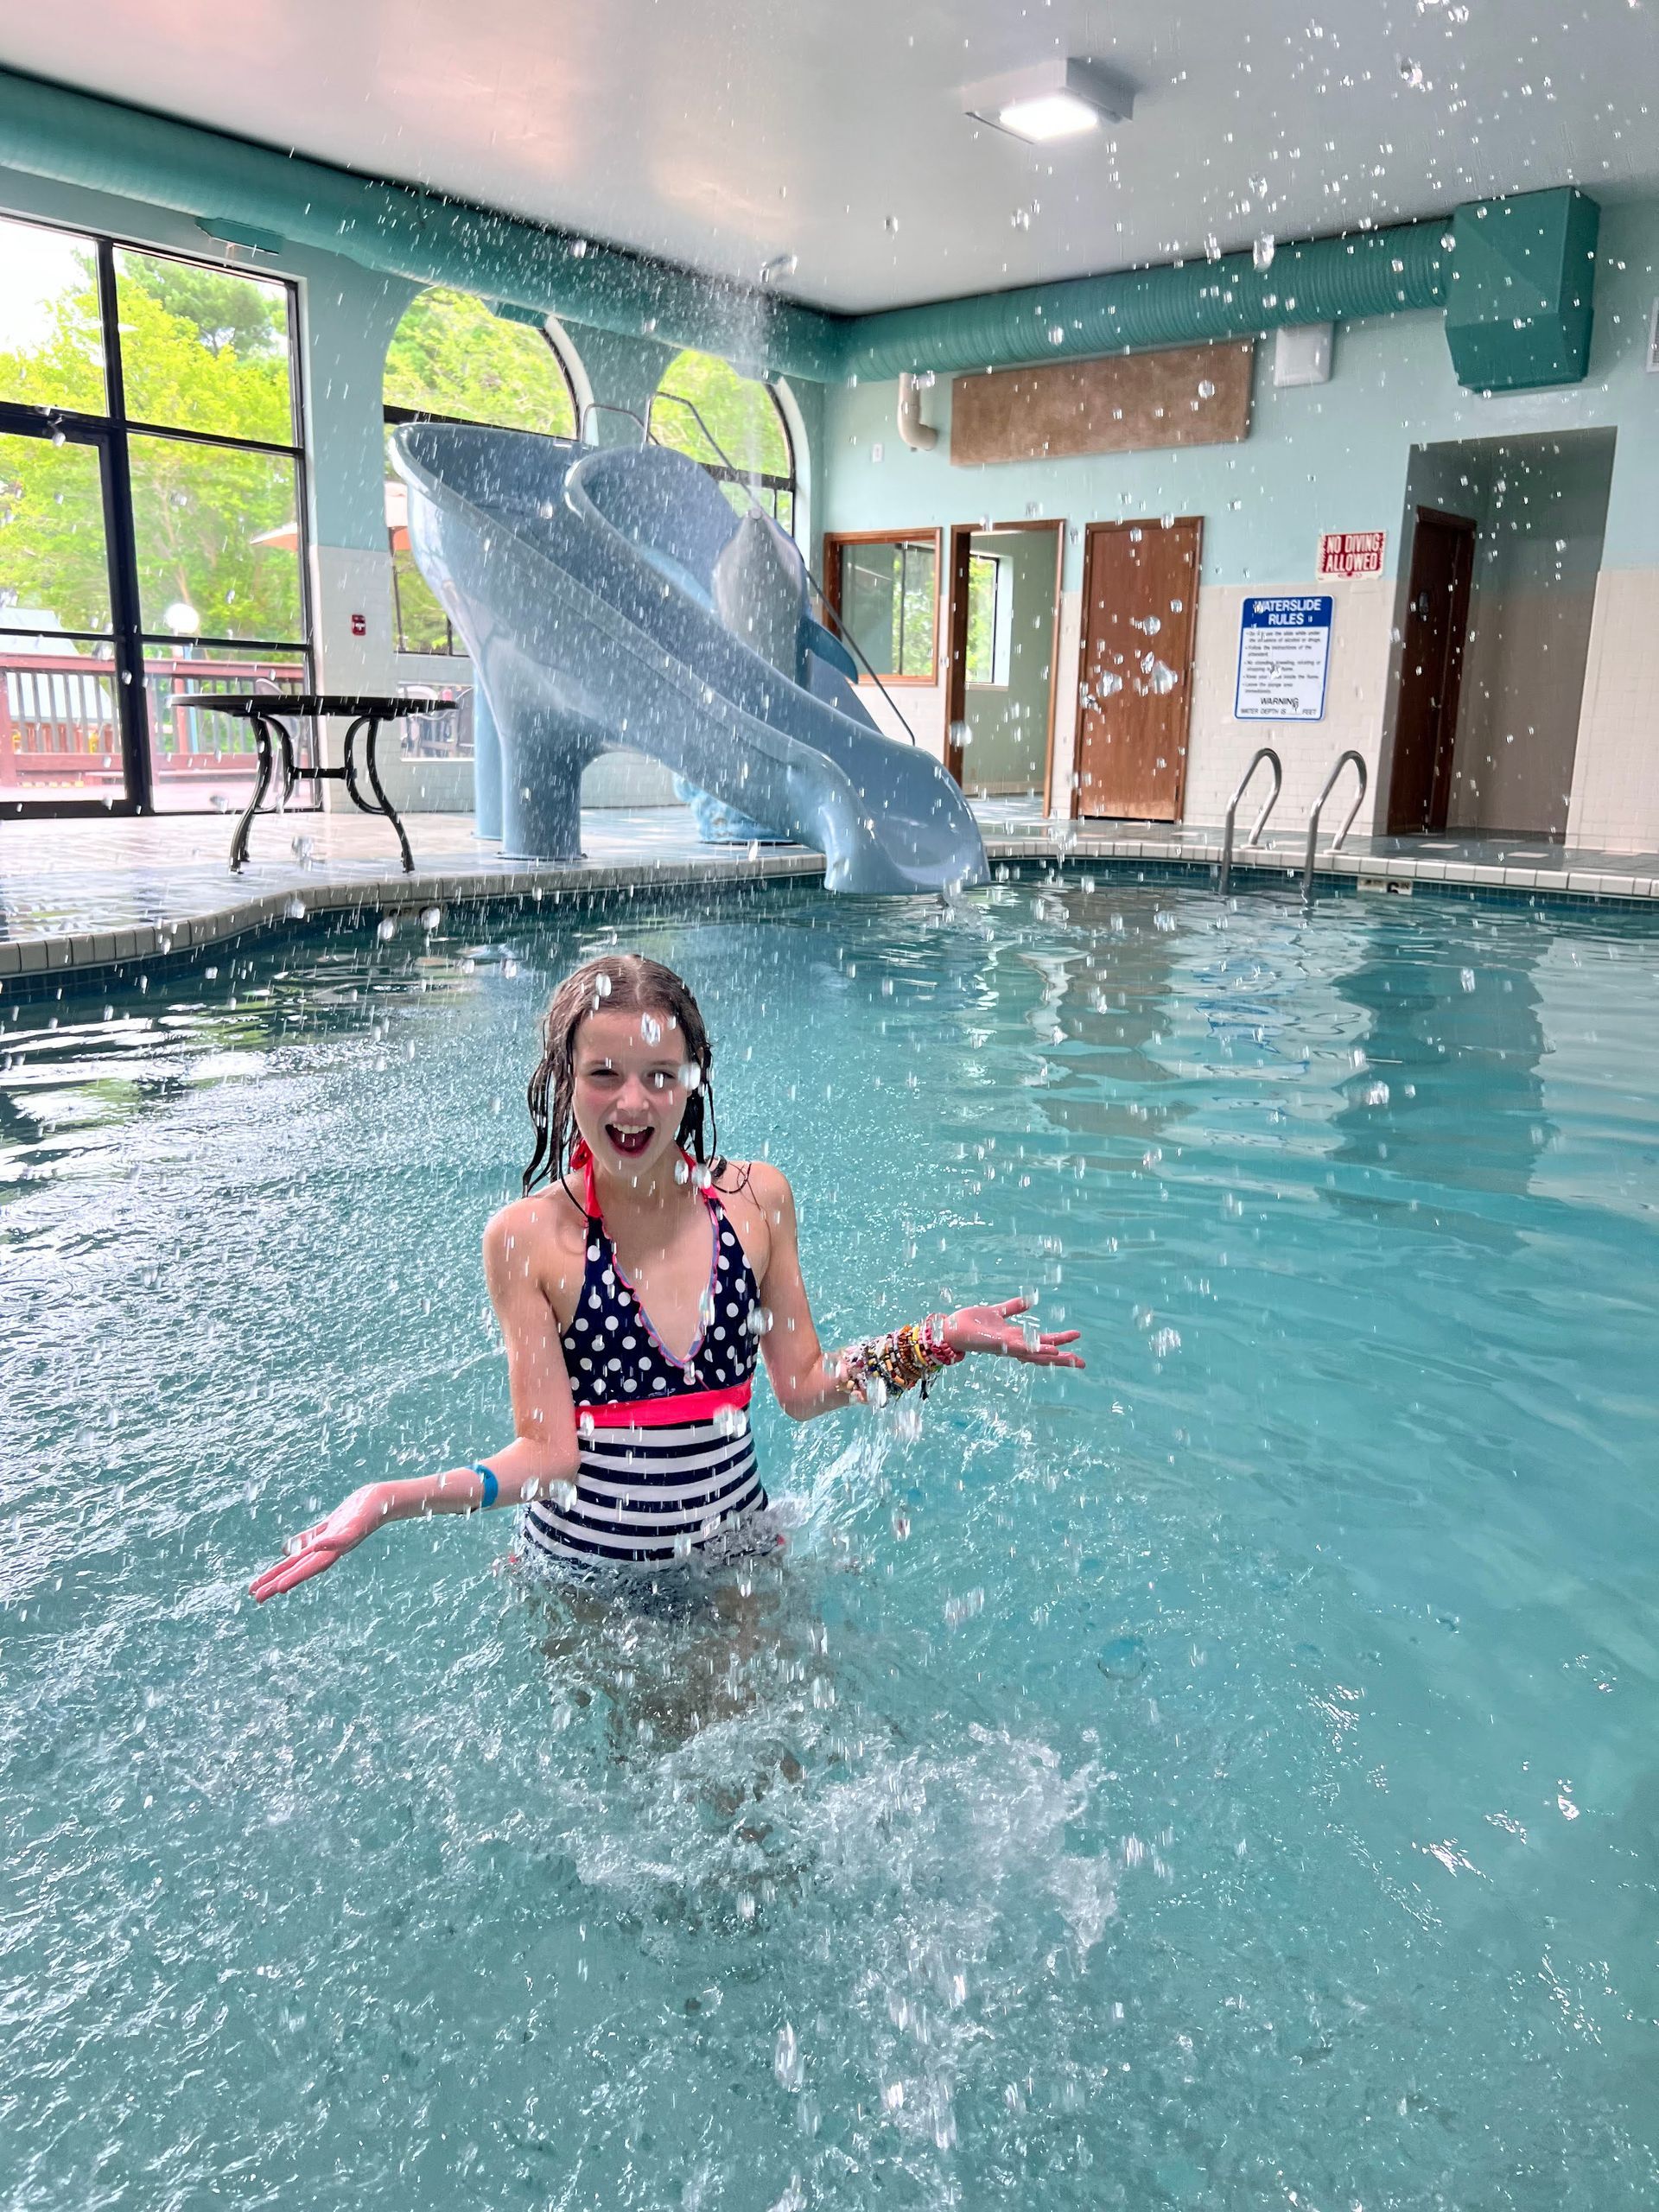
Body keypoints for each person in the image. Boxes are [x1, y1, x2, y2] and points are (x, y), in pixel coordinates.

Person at [251, 954, 1084, 1600]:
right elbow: (548, 1457)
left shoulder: (756, 1201)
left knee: (775, 1758)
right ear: (563, 1080)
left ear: (695, 1079)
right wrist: (389, 1498)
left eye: (661, 1076)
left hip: (733, 1557)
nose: (633, 1104)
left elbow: (802, 1386)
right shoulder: (527, 1239)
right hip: (587, 1579)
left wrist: (939, 1339)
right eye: (603, 1074)